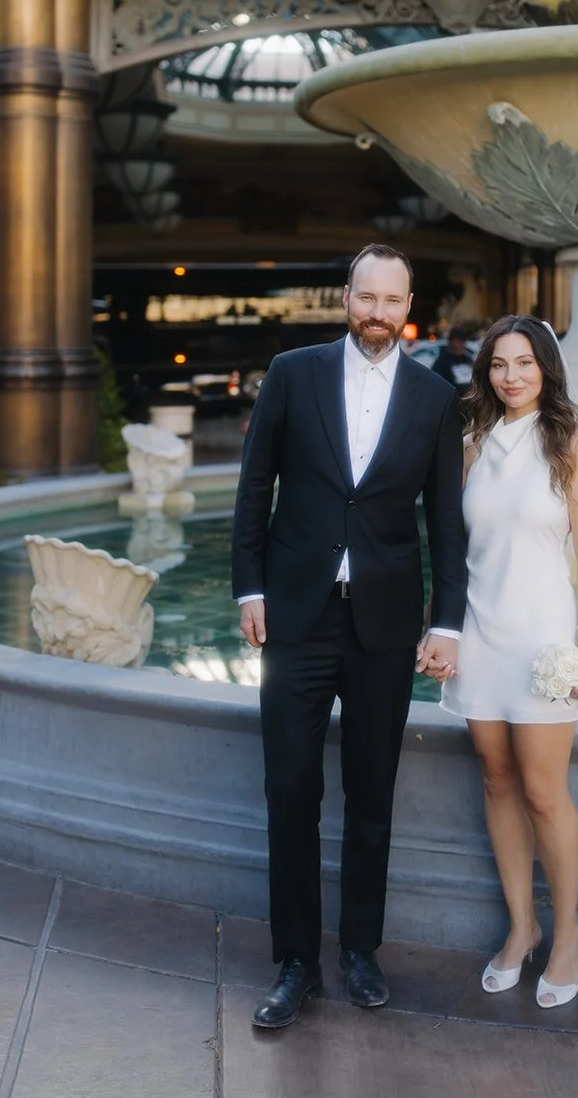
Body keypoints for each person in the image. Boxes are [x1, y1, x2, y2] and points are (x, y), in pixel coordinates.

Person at [232, 244, 467, 1032]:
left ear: (408, 306)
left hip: (384, 625)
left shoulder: (437, 398)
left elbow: (445, 521)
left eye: (390, 301)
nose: (376, 313)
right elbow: (254, 483)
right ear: (346, 297)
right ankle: (295, 961)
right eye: (364, 297)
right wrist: (250, 585)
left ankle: (361, 948)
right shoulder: (293, 373)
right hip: (295, 618)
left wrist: (445, 621)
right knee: (290, 788)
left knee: (372, 793)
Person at [440, 315, 578, 1010]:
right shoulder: (472, 444)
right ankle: (521, 927)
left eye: (524, 363)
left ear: (547, 369)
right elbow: (454, 549)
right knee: (496, 777)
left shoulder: (572, 445)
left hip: (543, 638)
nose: (511, 376)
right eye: (499, 365)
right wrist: (441, 629)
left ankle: (566, 934)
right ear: (486, 374)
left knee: (543, 790)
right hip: (480, 633)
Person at [431, 324, 475, 391]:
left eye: (461, 341)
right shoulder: (442, 361)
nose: (459, 344)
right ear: (450, 342)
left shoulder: (469, 359)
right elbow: (435, 382)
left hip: (468, 398)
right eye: (456, 341)